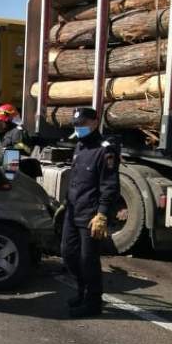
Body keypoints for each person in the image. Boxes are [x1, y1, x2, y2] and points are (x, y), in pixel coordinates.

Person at [61, 106, 120, 317]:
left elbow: (110, 185)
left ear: (95, 122)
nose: (79, 128)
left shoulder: (105, 150)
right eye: (76, 125)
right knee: (68, 253)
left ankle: (93, 302)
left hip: (91, 215)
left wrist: (102, 213)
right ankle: (82, 290)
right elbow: (77, 180)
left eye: (83, 124)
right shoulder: (79, 146)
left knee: (88, 260)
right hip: (73, 210)